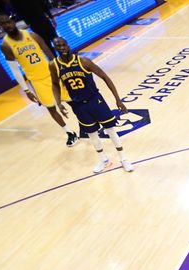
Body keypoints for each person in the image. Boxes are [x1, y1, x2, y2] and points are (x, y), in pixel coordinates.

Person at [50, 37, 134, 173]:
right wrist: (58, 102)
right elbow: (54, 84)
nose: (62, 48)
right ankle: (104, 160)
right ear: (55, 48)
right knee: (92, 134)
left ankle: (124, 158)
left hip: (95, 100)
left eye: (63, 45)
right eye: (58, 46)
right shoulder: (54, 65)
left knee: (110, 130)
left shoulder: (83, 61)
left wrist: (118, 99)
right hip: (78, 105)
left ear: (68, 45)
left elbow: (105, 77)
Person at [0, 12, 77, 147]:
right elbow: (15, 69)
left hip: (51, 74)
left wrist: (59, 68)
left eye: (8, 22)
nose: (8, 25)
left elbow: (48, 51)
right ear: (0, 26)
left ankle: (87, 123)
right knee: (51, 108)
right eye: (3, 24)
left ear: (13, 21)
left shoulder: (31, 35)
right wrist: (26, 90)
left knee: (72, 101)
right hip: (36, 81)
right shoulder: (5, 45)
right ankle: (70, 132)